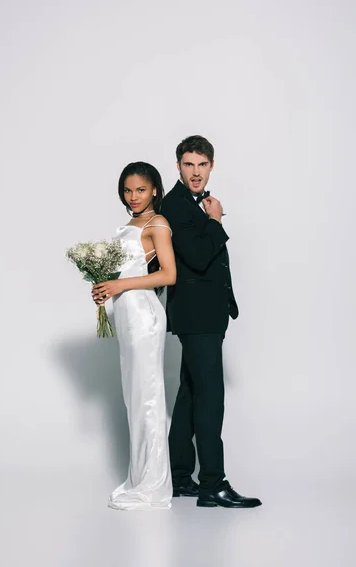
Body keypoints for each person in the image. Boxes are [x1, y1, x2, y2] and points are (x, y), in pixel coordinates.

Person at [161, 135, 262, 508]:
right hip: (197, 315)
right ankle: (212, 484)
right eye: (189, 164)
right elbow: (201, 255)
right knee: (210, 397)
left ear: (211, 166)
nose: (196, 172)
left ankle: (179, 477)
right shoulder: (174, 204)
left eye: (202, 165)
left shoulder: (195, 202)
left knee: (190, 394)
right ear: (178, 167)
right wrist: (216, 219)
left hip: (205, 313)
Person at [92, 162, 176, 510]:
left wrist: (120, 285)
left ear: (155, 189)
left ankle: (154, 487)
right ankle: (140, 477)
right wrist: (103, 289)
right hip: (126, 318)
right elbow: (122, 272)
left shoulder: (158, 224)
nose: (134, 196)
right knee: (134, 398)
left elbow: (168, 275)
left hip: (144, 317)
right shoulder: (129, 225)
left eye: (140, 189)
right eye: (128, 190)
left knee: (148, 398)